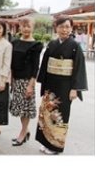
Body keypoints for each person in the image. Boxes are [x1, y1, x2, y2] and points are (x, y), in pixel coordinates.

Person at [36, 17, 88, 155]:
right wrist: (43, 84)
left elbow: (79, 68)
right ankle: (46, 142)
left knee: (60, 116)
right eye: (61, 27)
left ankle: (55, 146)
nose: (64, 29)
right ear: (56, 28)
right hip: (51, 85)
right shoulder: (52, 44)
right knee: (46, 113)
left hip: (65, 86)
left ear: (71, 28)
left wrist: (75, 89)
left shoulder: (75, 46)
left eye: (67, 27)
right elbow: (45, 64)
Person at [9, 17, 43, 146]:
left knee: (26, 109)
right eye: (23, 26)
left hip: (27, 81)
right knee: (19, 108)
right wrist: (11, 79)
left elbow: (36, 67)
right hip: (16, 80)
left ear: (32, 27)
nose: (26, 29)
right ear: (20, 28)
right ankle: (25, 130)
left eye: (28, 26)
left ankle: (23, 133)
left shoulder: (36, 45)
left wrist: (31, 85)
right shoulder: (15, 42)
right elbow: (12, 62)